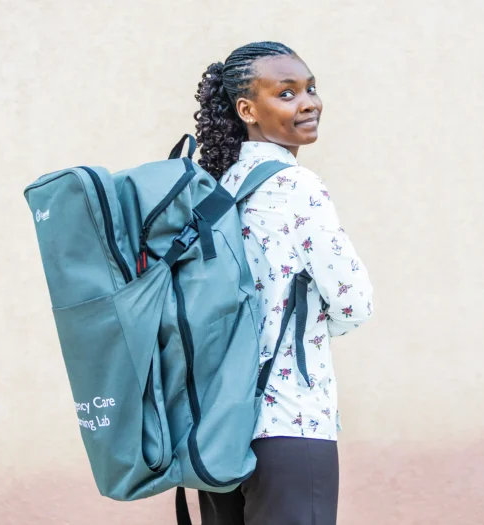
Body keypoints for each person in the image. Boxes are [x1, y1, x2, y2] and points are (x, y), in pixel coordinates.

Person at [192, 41, 375, 525]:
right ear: (247, 109)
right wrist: (311, 325)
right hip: (290, 418)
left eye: (310, 89)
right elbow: (355, 302)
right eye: (287, 93)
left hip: (215, 427)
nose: (308, 102)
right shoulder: (297, 186)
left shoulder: (213, 188)